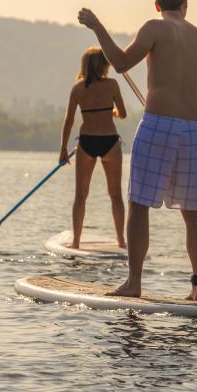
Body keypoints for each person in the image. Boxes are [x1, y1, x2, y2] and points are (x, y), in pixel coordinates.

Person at [77, 0, 197, 300]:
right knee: (192, 211)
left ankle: (134, 283)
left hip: (159, 125)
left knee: (139, 204)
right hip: (192, 129)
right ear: (185, 4)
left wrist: (98, 27)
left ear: (156, 5)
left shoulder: (154, 27)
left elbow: (122, 63)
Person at [59, 47, 127, 249]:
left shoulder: (77, 88)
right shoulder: (113, 84)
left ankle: (76, 242)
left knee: (81, 195)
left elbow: (69, 121)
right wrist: (110, 112)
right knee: (115, 195)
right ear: (103, 65)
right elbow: (122, 113)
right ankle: (121, 241)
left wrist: (63, 148)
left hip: (87, 142)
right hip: (110, 142)